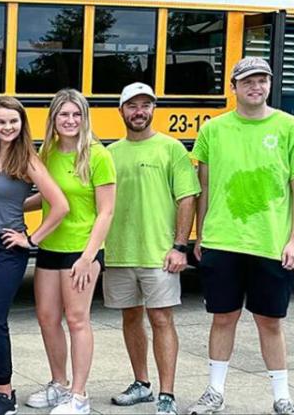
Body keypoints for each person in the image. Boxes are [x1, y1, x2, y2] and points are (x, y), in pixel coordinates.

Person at [187, 57, 294, 415]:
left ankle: (282, 397)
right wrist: (200, 235)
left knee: (270, 322)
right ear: (233, 87)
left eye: (262, 80)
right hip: (222, 240)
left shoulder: (290, 127)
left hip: (271, 243)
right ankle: (214, 391)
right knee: (223, 317)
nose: (255, 87)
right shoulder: (213, 130)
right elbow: (205, 186)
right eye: (248, 81)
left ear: (269, 85)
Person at [0, 97, 69, 415]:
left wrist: (30, 238)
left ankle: (6, 397)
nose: (7, 126)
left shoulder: (28, 161)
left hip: (7, 249)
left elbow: (59, 204)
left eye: (13, 121)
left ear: (21, 124)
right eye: (1, 121)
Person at [102, 83, 200, 415]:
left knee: (161, 319)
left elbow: (187, 197)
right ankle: (141, 384)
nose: (139, 111)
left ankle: (167, 394)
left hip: (159, 253)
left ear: (153, 110)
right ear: (121, 111)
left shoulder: (171, 149)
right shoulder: (110, 153)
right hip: (119, 251)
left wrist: (179, 247)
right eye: (132, 106)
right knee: (130, 318)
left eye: (145, 105)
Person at [25, 88, 116, 415]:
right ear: (53, 118)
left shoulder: (98, 155)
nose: (70, 120)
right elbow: (48, 197)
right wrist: (13, 208)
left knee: (77, 320)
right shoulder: (46, 152)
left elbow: (106, 211)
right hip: (51, 247)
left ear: (84, 118)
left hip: (82, 249)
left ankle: (79, 395)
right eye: (64, 114)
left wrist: (88, 256)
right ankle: (59, 384)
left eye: (76, 114)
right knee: (47, 318)